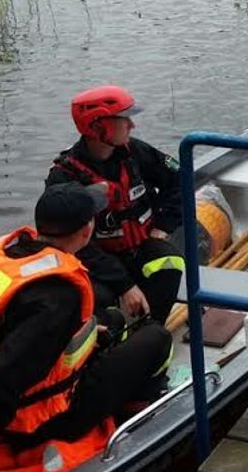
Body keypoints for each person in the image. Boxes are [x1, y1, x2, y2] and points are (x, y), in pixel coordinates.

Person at [0, 183, 173, 447]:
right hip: (38, 420)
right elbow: (9, 370)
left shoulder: (4, 254)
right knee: (157, 338)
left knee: (113, 320)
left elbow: (15, 327)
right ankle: (134, 405)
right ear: (86, 232)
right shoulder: (59, 297)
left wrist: (86, 332)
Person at [46, 85, 185, 325]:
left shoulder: (135, 152)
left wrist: (163, 226)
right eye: (125, 119)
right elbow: (73, 244)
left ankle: (151, 329)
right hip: (95, 263)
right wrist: (124, 285)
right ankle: (108, 340)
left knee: (169, 261)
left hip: (140, 247)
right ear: (99, 126)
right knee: (91, 297)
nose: (132, 125)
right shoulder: (65, 178)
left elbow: (180, 181)